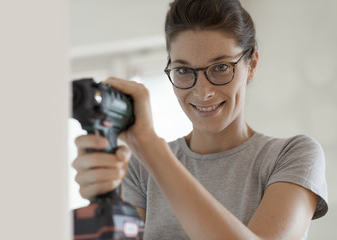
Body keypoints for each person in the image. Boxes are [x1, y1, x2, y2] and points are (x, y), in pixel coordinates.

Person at [72, 0, 328, 239]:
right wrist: (101, 205)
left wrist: (149, 146)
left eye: (220, 67)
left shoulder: (292, 155)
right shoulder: (140, 169)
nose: (203, 92)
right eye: (183, 70)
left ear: (251, 64)